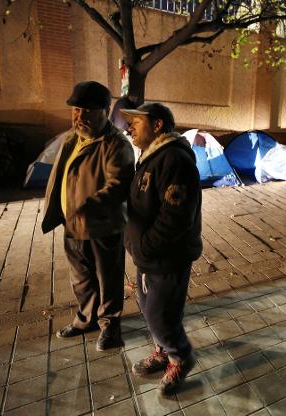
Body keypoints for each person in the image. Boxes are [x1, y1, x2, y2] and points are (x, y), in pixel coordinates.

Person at [42, 81, 135, 351]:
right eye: (76, 110)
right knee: (81, 279)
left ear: (105, 111)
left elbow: (118, 185)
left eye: (87, 111)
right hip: (71, 224)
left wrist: (87, 207)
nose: (79, 116)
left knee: (108, 280)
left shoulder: (116, 145)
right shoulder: (73, 138)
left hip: (102, 227)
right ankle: (86, 320)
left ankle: (110, 327)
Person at [120, 102, 202, 396]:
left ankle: (181, 357)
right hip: (147, 254)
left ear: (157, 125)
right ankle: (163, 350)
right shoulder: (150, 157)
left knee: (161, 313)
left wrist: (144, 246)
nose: (129, 126)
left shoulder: (175, 160)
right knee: (147, 307)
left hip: (168, 256)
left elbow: (176, 217)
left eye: (136, 122)